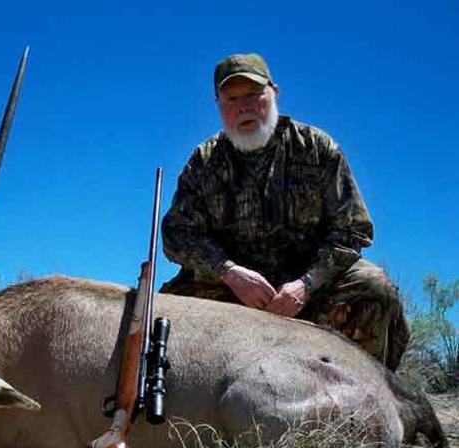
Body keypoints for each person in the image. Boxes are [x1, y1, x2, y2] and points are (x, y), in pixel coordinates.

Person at [160, 53, 409, 370]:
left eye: (253, 95)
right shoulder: (204, 161)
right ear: (218, 104)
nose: (244, 107)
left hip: (308, 291)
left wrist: (305, 285)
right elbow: (176, 234)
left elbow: (352, 231)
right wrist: (229, 272)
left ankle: (368, 403)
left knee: (375, 288)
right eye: (232, 99)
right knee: (164, 312)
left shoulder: (316, 147)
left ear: (273, 92)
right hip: (231, 295)